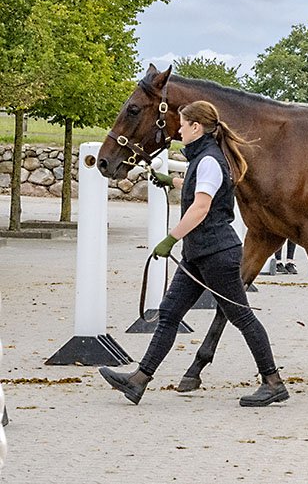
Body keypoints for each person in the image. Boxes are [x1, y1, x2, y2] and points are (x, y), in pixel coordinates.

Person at [99, 101, 289, 406]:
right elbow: (201, 187)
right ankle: (139, 380)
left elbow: (201, 206)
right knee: (169, 313)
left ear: (196, 128)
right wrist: (172, 181)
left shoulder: (210, 160)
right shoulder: (204, 159)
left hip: (217, 253)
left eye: (183, 125)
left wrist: (170, 239)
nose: (179, 130)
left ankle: (273, 382)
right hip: (199, 254)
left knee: (241, 316)